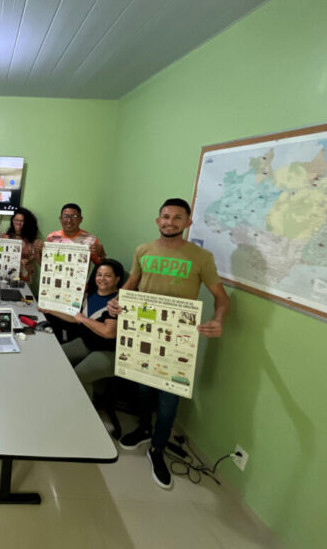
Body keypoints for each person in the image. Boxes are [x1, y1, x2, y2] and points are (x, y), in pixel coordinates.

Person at [109, 198, 230, 490]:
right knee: (142, 387)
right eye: (165, 216)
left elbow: (221, 297)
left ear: (188, 223)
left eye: (177, 218)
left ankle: (158, 448)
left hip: (178, 339)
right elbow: (133, 282)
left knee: (168, 396)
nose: (170, 222)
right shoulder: (143, 250)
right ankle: (143, 429)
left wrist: (219, 319)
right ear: (157, 220)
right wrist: (116, 300)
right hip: (143, 332)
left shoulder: (201, 257)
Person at [42, 259, 125, 398]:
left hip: (109, 351)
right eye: (99, 274)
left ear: (117, 279)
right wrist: (49, 310)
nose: (102, 279)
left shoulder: (117, 303)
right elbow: (77, 318)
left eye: (108, 275)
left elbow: (108, 332)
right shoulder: (90, 295)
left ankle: (86, 413)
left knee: (78, 376)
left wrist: (83, 319)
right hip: (87, 343)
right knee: (53, 358)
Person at [41, 203, 105, 265]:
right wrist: (37, 252)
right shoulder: (52, 238)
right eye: (65, 216)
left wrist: (101, 254)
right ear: (60, 219)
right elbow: (46, 265)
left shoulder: (91, 240)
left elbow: (101, 265)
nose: (69, 220)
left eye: (74, 216)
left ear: (80, 219)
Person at [5, 207, 42, 284]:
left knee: (23, 294)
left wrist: (28, 260)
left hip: (25, 272)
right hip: (9, 271)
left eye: (22, 221)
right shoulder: (6, 237)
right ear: (12, 221)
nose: (18, 223)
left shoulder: (30, 238)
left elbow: (34, 253)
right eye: (16, 220)